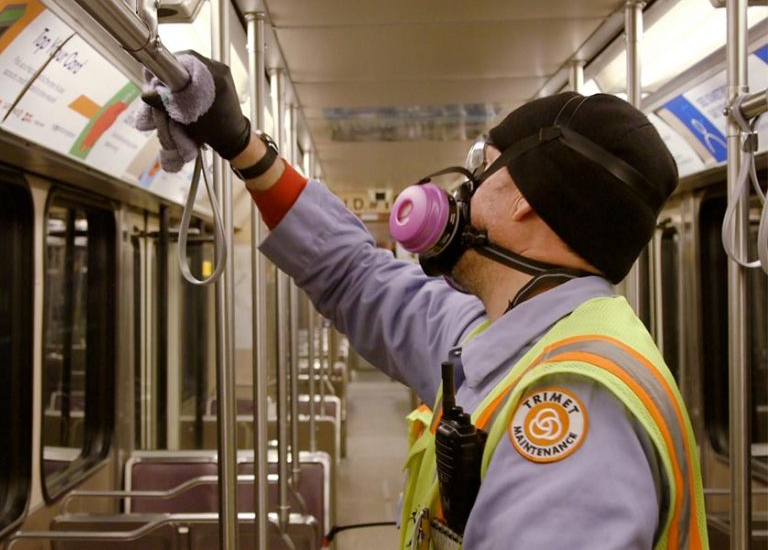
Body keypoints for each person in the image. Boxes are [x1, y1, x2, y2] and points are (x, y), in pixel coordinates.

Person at [139, 51, 708, 549]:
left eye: (483, 170)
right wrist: (241, 144)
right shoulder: (496, 337)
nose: (463, 191)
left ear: (526, 203)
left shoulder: (573, 410)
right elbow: (355, 275)